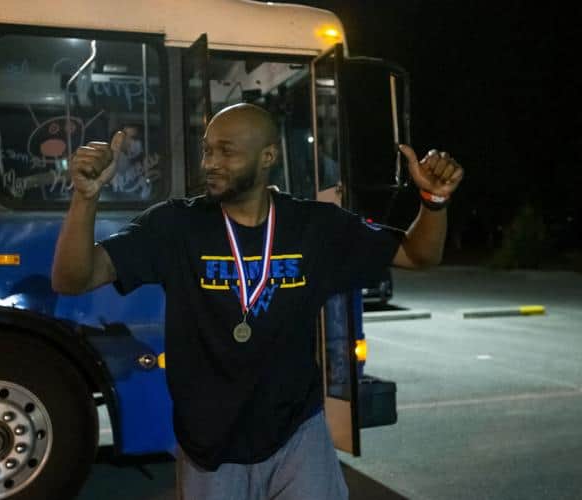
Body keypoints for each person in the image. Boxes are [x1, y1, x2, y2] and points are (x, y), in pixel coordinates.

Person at [51, 103, 464, 500]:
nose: (210, 163)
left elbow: (418, 255)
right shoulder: (176, 226)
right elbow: (72, 279)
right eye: (207, 150)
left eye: (226, 151)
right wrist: (85, 198)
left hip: (296, 434)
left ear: (267, 156)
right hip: (209, 447)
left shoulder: (314, 226)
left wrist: (434, 203)